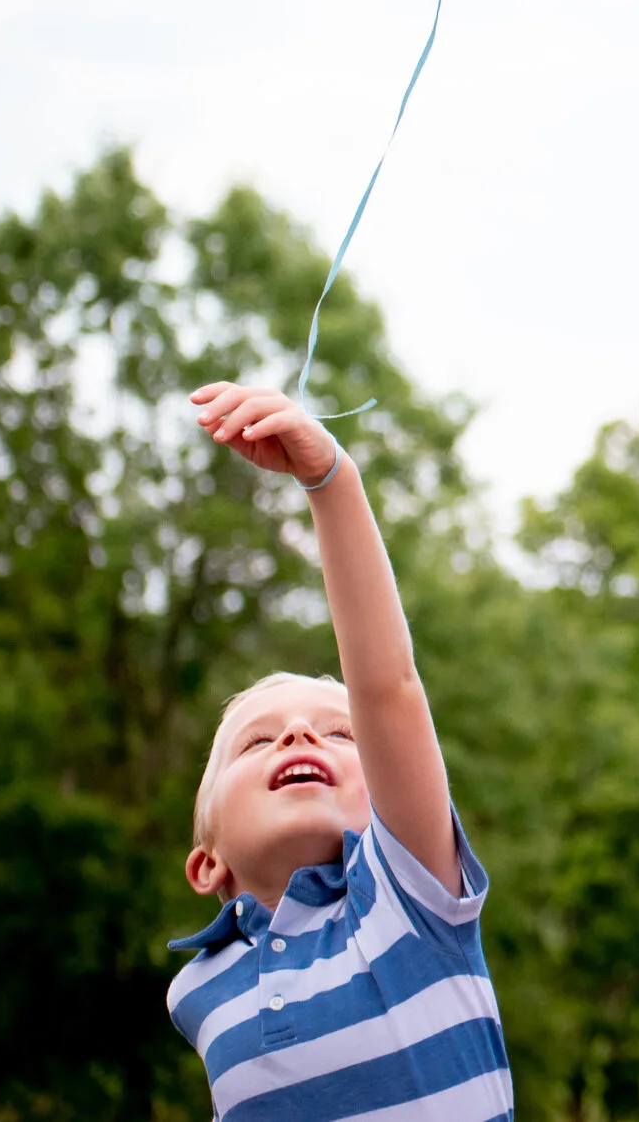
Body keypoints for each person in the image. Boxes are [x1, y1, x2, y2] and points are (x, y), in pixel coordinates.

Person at [165, 383, 511, 1121]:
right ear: (207, 862)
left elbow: (388, 688)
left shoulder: (407, 899)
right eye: (259, 740)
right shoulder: (196, 990)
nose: (298, 735)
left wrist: (330, 480)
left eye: (339, 732)